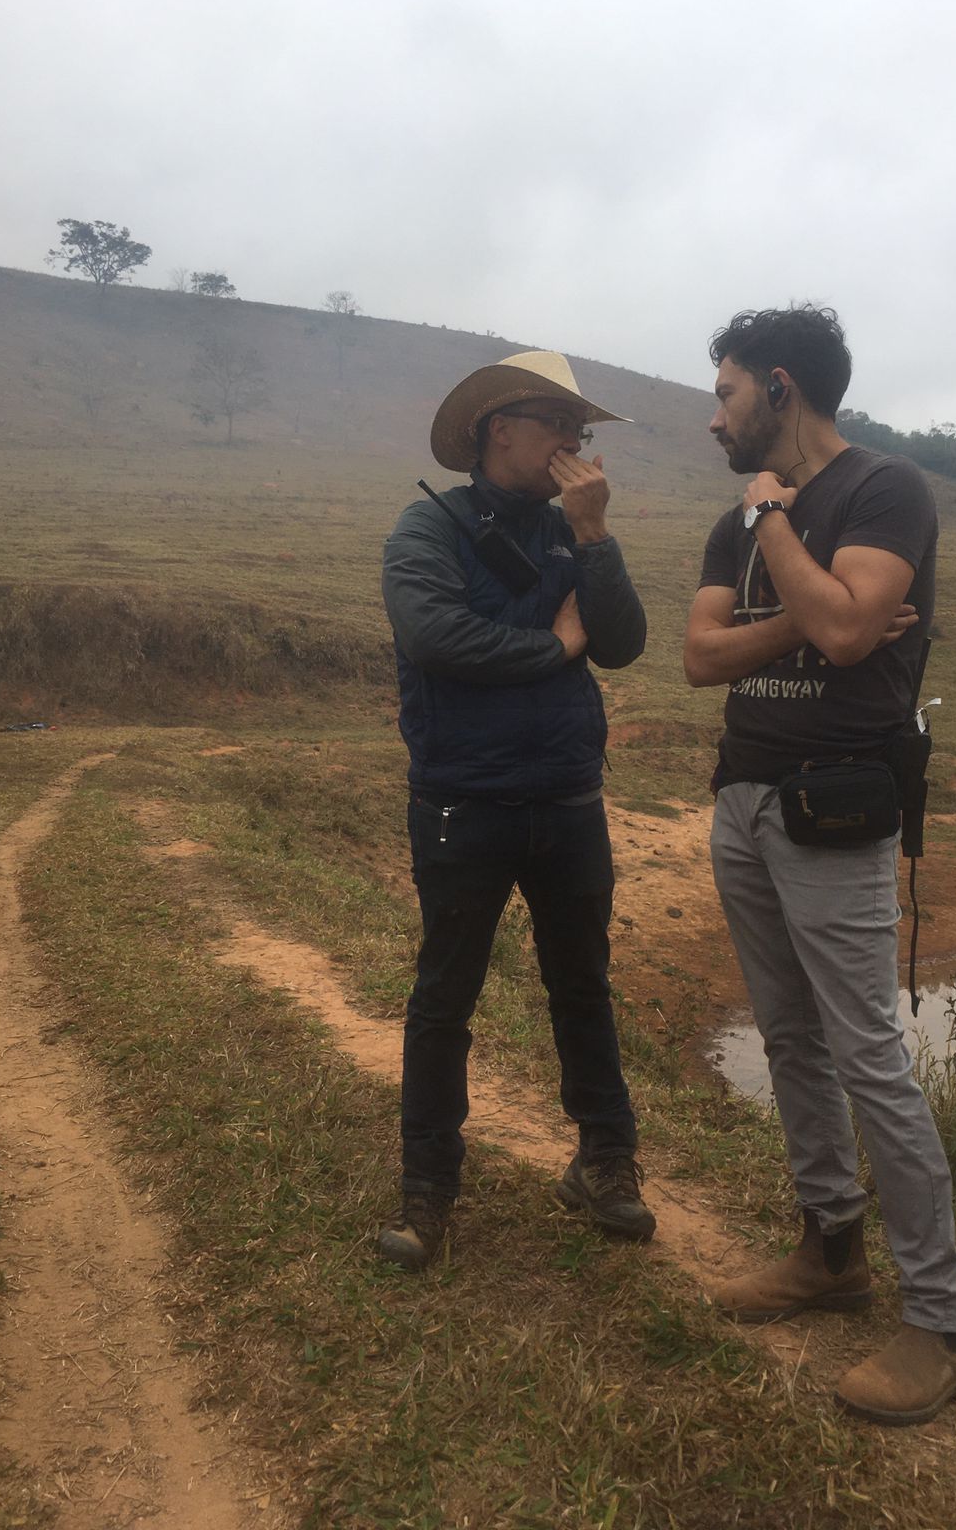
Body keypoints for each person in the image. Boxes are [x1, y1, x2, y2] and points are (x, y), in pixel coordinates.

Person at [683, 306, 956, 1425]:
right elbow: (702, 655)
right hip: (743, 800)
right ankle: (830, 1250)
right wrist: (812, 613)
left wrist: (773, 527)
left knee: (865, 1051)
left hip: (837, 803)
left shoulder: (885, 489)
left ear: (780, 386)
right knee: (790, 1035)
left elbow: (857, 638)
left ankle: (942, 1322)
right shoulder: (739, 515)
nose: (714, 417)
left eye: (725, 395)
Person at [378, 349, 654, 1272]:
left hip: (568, 799)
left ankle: (606, 1165)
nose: (577, 443)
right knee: (444, 997)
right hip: (464, 802)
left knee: (582, 984)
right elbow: (438, 638)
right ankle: (428, 1190)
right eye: (559, 425)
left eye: (581, 430)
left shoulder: (571, 528)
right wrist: (552, 643)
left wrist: (597, 539)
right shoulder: (427, 531)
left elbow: (618, 644)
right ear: (501, 430)